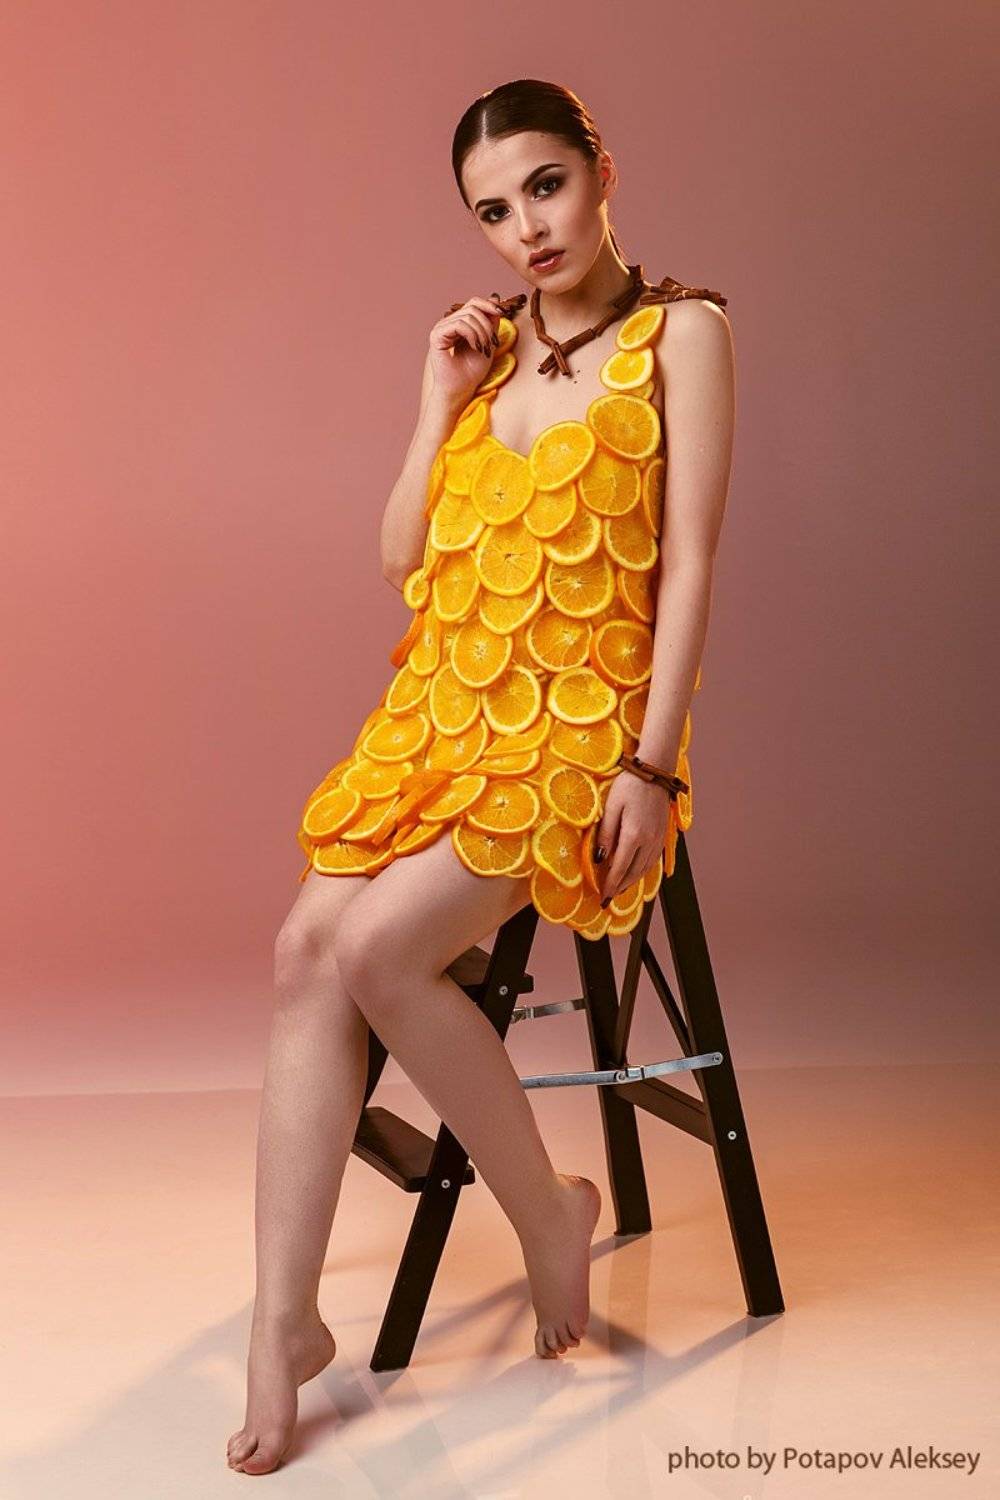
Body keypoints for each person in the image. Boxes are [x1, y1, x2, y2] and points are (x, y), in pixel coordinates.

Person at [227, 78, 735, 1475]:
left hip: (583, 728)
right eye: (495, 211)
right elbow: (402, 557)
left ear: (601, 169)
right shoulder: (488, 351)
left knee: (379, 948)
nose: (528, 230)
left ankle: (549, 1213)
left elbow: (691, 562)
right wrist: (436, 398)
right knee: (302, 949)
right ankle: (283, 1321)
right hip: (445, 711)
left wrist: (650, 765)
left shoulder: (683, 333)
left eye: (546, 187)